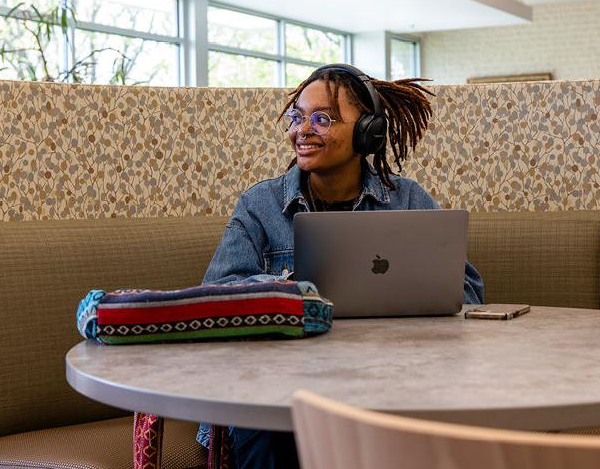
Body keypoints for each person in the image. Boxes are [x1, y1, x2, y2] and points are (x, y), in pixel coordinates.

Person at [196, 63, 484, 469]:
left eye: (322, 119)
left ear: (368, 131)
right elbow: (218, 291)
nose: (303, 129)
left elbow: (466, 292)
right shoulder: (259, 206)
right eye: (297, 116)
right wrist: (291, 290)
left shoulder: (407, 200)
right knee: (273, 434)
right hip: (278, 387)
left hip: (382, 379)